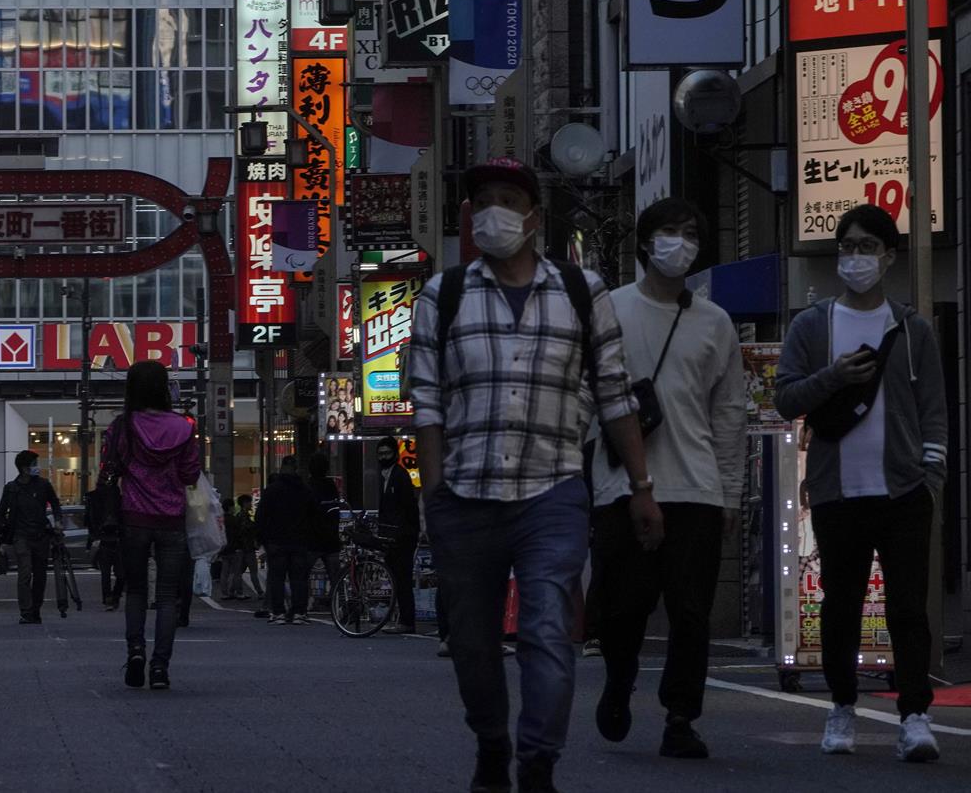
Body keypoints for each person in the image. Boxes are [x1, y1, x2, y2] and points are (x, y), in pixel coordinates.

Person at [403, 157, 661, 793]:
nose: (495, 211)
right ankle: (492, 741)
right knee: (471, 639)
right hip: (465, 491)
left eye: (508, 200)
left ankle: (538, 760)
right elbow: (427, 400)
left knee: (549, 626)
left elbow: (614, 392)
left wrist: (641, 488)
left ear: (534, 216)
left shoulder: (581, 290)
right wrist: (433, 491)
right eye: (483, 201)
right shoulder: (445, 294)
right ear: (469, 218)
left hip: (553, 488)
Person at [776, 202, 947, 763]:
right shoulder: (812, 324)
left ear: (889, 256)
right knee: (840, 604)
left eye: (866, 248)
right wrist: (834, 376)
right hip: (836, 491)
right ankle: (842, 709)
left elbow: (934, 411)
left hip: (903, 492)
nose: (854, 258)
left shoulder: (911, 328)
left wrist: (931, 480)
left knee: (907, 607)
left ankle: (916, 715)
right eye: (846, 247)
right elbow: (786, 398)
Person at [587, 198, 743, 760]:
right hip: (621, 486)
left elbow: (729, 412)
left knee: (691, 611)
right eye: (669, 232)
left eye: (690, 233)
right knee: (623, 607)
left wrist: (730, 493)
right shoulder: (610, 309)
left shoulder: (715, 321)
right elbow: (586, 395)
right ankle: (620, 678)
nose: (680, 243)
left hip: (696, 486)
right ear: (646, 243)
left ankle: (681, 716)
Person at [99, 360, 201, 689]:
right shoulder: (183, 427)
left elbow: (108, 468)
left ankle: (135, 652)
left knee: (136, 591)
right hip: (171, 519)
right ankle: (160, 667)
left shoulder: (121, 427)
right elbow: (190, 474)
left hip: (133, 517)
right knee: (168, 596)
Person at [0, 449, 66, 623]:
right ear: (24, 468)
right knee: (25, 573)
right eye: (34, 464)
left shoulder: (43, 485)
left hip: (41, 535)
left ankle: (35, 609)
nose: (38, 467)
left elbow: (56, 503)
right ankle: (26, 611)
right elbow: (1, 512)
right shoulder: (12, 489)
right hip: (21, 535)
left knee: (40, 575)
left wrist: (58, 520)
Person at [255, 455, 314, 624]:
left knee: (276, 577)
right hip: (299, 540)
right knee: (299, 578)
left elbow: (261, 516)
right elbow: (313, 516)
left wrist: (261, 539)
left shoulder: (272, 490)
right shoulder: (304, 490)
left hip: (276, 540)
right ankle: (299, 612)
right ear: (296, 469)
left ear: (282, 468)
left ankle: (278, 612)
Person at [377, 437, 422, 634]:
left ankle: (406, 620)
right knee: (397, 578)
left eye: (386, 453)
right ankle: (402, 619)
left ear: (395, 454)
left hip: (402, 536)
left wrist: (402, 532)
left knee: (402, 578)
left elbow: (406, 509)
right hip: (394, 535)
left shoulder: (400, 476)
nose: (383, 457)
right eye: (380, 454)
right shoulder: (386, 475)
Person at [304, 453, 345, 613]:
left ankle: (303, 606)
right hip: (331, 539)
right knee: (335, 575)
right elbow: (336, 511)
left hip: (311, 539)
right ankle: (340, 606)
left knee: (303, 575)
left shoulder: (308, 486)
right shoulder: (331, 486)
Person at [86, 476, 125, 609]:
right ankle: (112, 597)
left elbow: (90, 519)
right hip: (114, 540)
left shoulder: (96, 499)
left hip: (108, 540)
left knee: (108, 574)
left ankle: (109, 598)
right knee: (117, 574)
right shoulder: (117, 499)